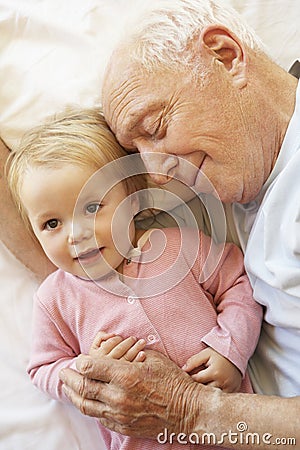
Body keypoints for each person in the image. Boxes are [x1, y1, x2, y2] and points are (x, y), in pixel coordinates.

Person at [58, 0, 300, 448]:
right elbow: (71, 251)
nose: (157, 174)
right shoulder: (245, 173)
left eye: (156, 125)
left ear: (226, 56)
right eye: (137, 152)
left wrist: (191, 411)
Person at [7, 108, 262, 450]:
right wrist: (85, 371)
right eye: (52, 224)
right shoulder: (55, 299)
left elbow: (238, 283)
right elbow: (43, 368)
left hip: (236, 431)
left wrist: (231, 348)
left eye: (93, 207)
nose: (76, 234)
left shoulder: (179, 247)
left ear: (133, 199)